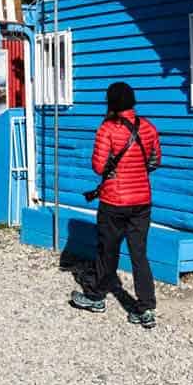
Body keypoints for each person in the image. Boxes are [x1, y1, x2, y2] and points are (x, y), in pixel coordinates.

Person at [71, 81, 161, 329]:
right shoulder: (149, 128)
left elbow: (99, 167)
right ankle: (146, 308)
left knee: (107, 251)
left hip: (114, 201)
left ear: (110, 103)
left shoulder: (107, 129)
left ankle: (96, 297)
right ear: (132, 101)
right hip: (142, 200)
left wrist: (116, 170)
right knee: (139, 254)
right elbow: (154, 162)